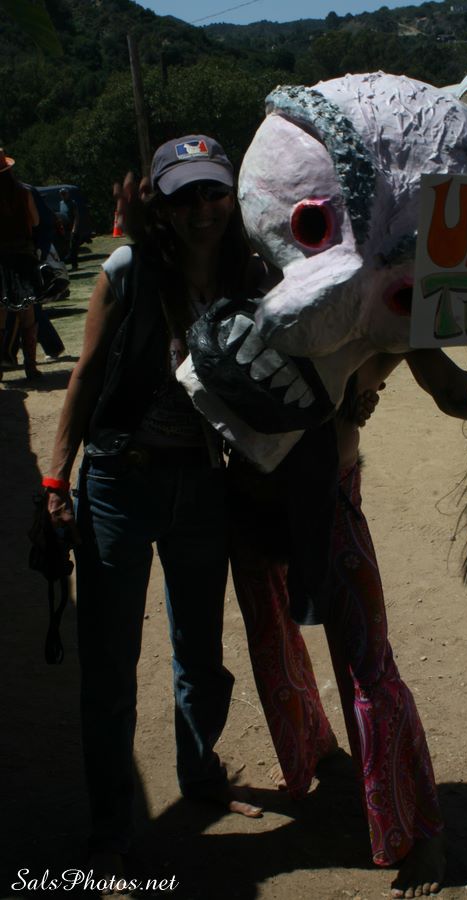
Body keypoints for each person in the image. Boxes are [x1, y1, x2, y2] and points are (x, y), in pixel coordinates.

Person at [228, 347, 467, 899]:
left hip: (330, 490)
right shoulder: (253, 290)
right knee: (272, 634)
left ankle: (420, 829)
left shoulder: (385, 305)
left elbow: (448, 386)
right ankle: (314, 749)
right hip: (253, 491)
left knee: (368, 660)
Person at [45, 135, 263, 880]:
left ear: (232, 196)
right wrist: (55, 480)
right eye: (184, 197)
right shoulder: (128, 271)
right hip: (118, 483)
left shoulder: (247, 275)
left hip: (201, 484)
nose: (203, 210)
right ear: (159, 206)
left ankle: (200, 774)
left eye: (214, 192)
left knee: (201, 654)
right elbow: (86, 375)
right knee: (110, 666)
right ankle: (110, 828)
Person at [0, 148, 42, 380]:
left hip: (1, 260)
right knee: (28, 314)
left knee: (0, 315)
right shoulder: (23, 192)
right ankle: (31, 367)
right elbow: (35, 221)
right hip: (23, 256)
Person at [58, 187, 81, 271]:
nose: (63, 195)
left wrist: (74, 229)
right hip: (65, 228)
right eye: (62, 194)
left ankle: (74, 265)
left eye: (64, 193)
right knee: (66, 248)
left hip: (72, 228)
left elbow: (76, 216)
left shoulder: (72, 203)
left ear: (68, 194)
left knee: (73, 247)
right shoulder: (61, 203)